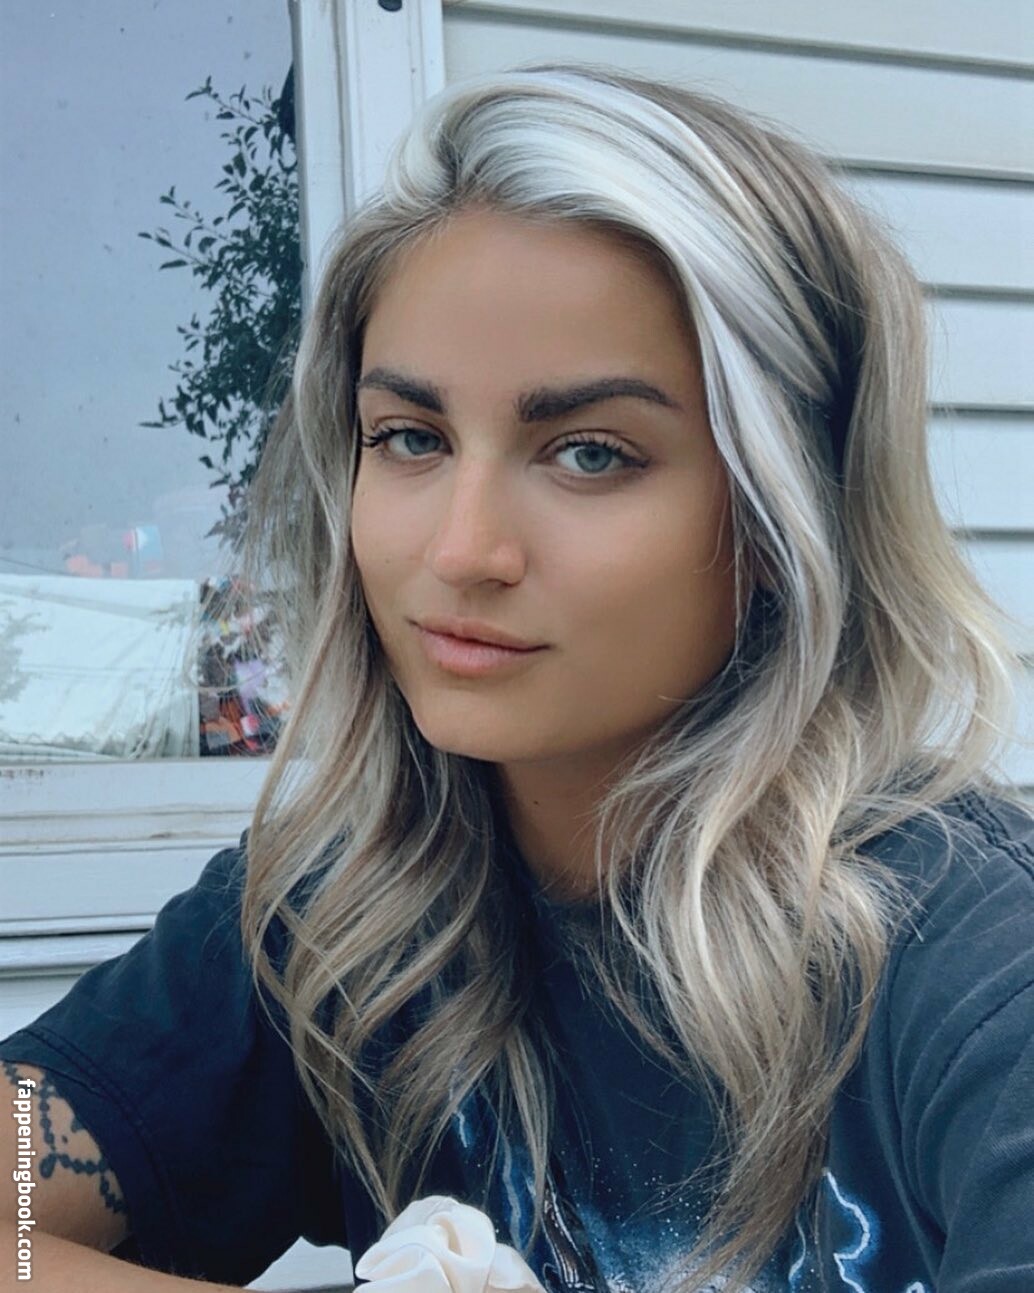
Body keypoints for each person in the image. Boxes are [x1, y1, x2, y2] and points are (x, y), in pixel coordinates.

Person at [2, 60, 1033, 1293]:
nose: (459, 550)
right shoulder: (350, 920)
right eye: (410, 438)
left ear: (780, 517)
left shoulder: (977, 971)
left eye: (588, 453)